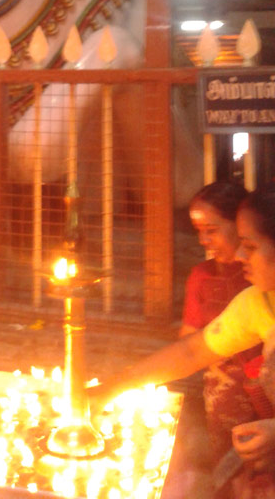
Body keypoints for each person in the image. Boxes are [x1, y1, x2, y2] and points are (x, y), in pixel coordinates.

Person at [91, 185, 275, 496]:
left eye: (251, 247)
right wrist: (110, 388)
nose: (241, 256)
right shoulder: (257, 303)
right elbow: (191, 351)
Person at [182, 182, 260, 462]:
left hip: (265, 394)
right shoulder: (201, 277)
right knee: (230, 469)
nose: (203, 240)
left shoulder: (262, 278)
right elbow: (187, 345)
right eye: (199, 232)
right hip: (224, 395)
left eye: (211, 231)